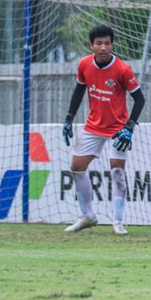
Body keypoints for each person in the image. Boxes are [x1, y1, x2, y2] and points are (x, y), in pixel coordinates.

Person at [62, 24, 145, 235]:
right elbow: (79, 90)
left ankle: (117, 221)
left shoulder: (122, 69)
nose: (103, 47)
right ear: (91, 45)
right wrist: (69, 119)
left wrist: (129, 128)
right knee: (77, 167)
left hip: (118, 128)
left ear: (112, 44)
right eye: (98, 43)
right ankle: (88, 216)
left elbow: (139, 99)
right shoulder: (84, 64)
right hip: (93, 126)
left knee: (117, 170)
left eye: (107, 43)